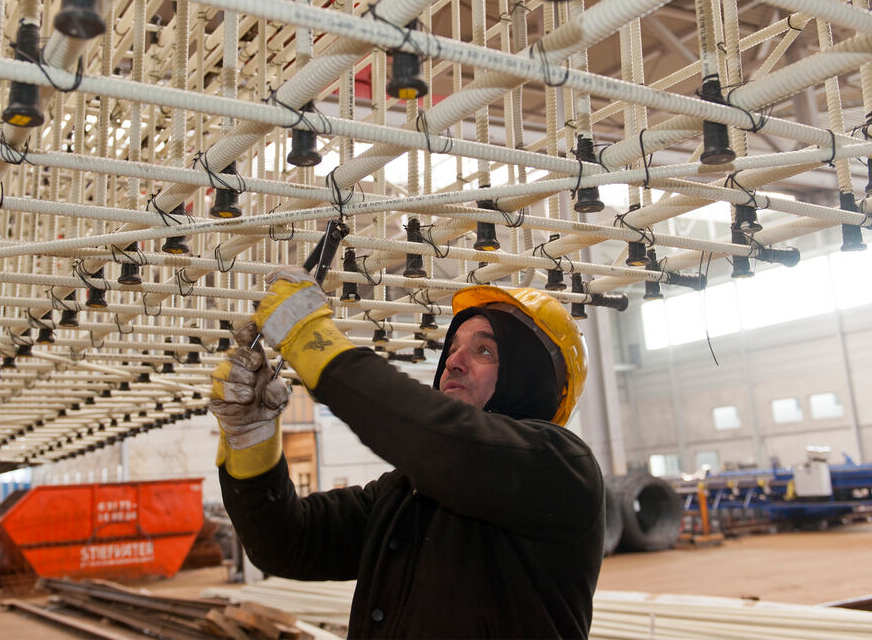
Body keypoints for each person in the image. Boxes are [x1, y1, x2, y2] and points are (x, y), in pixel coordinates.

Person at [211, 269, 604, 638]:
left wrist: (310, 338)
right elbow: (288, 543)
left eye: (484, 350)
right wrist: (251, 443)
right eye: (453, 347)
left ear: (531, 375)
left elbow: (443, 440)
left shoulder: (559, 468)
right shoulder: (403, 494)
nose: (453, 361)